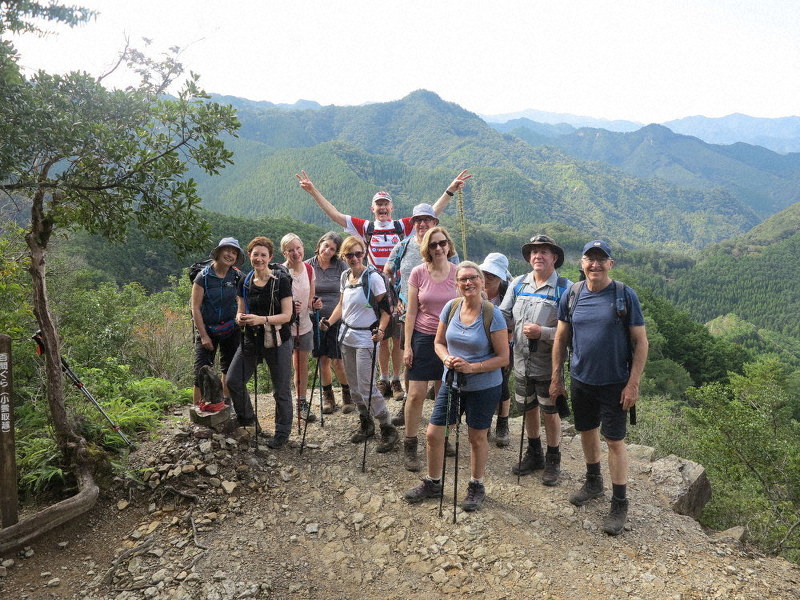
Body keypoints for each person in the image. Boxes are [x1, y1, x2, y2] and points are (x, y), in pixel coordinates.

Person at [296, 169, 472, 404]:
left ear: (392, 208)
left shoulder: (402, 226)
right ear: (373, 208)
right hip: (374, 289)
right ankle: (384, 377)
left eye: (385, 204)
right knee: (379, 333)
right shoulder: (365, 227)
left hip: (400, 291)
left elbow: (431, 215)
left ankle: (396, 379)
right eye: (378, 205)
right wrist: (313, 191)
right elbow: (335, 216)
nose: (382, 208)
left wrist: (450, 190)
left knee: (398, 338)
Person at [550, 240, 648, 535]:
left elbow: (641, 341)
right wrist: (557, 377)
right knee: (587, 431)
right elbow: (561, 338)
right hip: (581, 379)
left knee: (615, 441)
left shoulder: (623, 295)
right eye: (589, 259)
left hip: (615, 383)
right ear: (582, 264)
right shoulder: (573, 294)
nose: (595, 264)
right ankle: (594, 481)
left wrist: (633, 384)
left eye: (601, 259)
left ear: (610, 264)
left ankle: (620, 502)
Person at [403, 262, 509, 512]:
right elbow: (438, 342)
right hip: (452, 382)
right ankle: (433, 482)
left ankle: (476, 485)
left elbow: (503, 358)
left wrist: (473, 367)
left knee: (476, 437)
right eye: (463, 279)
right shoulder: (451, 308)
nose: (468, 283)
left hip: (483, 386)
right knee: (433, 433)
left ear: (482, 282)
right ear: (457, 284)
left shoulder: (492, 314)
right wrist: (446, 358)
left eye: (473, 278)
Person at [500, 235, 571, 486]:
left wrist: (544, 332)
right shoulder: (518, 284)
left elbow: (572, 330)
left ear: (554, 258)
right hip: (520, 360)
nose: (538, 256)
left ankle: (553, 458)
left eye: (544, 252)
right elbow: (503, 316)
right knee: (528, 407)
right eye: (534, 252)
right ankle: (534, 453)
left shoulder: (565, 288)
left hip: (548, 364)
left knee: (549, 411)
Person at [320, 236, 399, 453]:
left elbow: (386, 311)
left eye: (358, 253)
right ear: (343, 257)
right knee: (354, 386)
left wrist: (381, 331)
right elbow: (342, 306)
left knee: (366, 386)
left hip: (366, 338)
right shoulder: (345, 276)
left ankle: (387, 426)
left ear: (364, 253)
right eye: (349, 254)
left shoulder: (372, 278)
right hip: (346, 337)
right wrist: (329, 322)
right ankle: (366, 422)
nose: (354, 258)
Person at [384, 203, 460, 426]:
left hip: (446, 330)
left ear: (435, 222)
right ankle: (408, 408)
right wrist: (395, 298)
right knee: (412, 373)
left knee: (441, 386)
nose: (422, 223)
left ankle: (437, 428)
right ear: (413, 223)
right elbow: (387, 272)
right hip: (412, 318)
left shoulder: (453, 263)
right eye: (418, 220)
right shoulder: (403, 246)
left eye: (427, 219)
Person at [227, 237, 295, 449]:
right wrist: (239, 317)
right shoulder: (244, 282)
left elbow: (287, 316)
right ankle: (249, 422)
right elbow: (240, 309)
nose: (259, 258)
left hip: (278, 340)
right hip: (251, 339)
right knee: (233, 381)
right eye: (255, 254)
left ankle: (281, 433)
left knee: (281, 390)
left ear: (270, 257)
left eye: (263, 255)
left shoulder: (280, 281)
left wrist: (261, 319)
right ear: (249, 256)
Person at [401, 226, 458, 471]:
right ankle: (410, 444)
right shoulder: (418, 273)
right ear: (426, 248)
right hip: (423, 337)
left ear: (448, 245)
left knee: (444, 392)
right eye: (433, 244)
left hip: (450, 338)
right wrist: (407, 346)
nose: (438, 248)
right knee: (415, 394)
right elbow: (411, 311)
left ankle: (442, 438)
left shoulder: (458, 273)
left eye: (441, 243)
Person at [190, 237, 244, 411]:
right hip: (208, 330)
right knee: (201, 371)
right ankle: (197, 408)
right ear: (219, 252)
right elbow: (195, 308)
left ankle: (226, 403)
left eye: (234, 252)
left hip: (231, 328)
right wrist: (204, 336)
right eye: (227, 250)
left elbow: (243, 299)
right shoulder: (203, 277)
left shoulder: (236, 276)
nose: (230, 255)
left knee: (228, 369)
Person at [306, 232, 352, 414]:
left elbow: (348, 292)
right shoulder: (308, 265)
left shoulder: (341, 266)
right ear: (319, 245)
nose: (328, 250)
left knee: (338, 361)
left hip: (337, 320)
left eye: (332, 249)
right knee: (322, 360)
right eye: (325, 246)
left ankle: (347, 394)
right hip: (315, 319)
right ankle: (328, 397)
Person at [281, 233, 321, 423]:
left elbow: (311, 300)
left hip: (305, 324)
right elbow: (273, 301)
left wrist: (316, 304)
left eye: (298, 248)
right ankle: (284, 403)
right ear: (284, 252)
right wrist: (289, 308)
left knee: (301, 365)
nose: (295, 253)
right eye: (290, 250)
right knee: (283, 366)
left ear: (303, 247)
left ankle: (301, 402)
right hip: (284, 327)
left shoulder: (309, 269)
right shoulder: (279, 272)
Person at [479, 253, 513, 447]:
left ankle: (502, 423)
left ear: (501, 277)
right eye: (485, 272)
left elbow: (514, 321)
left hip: (505, 344)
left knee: (502, 385)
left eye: (493, 274)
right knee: (483, 385)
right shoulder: (476, 290)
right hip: (479, 345)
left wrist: (505, 345)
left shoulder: (509, 292)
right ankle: (485, 424)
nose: (488, 276)